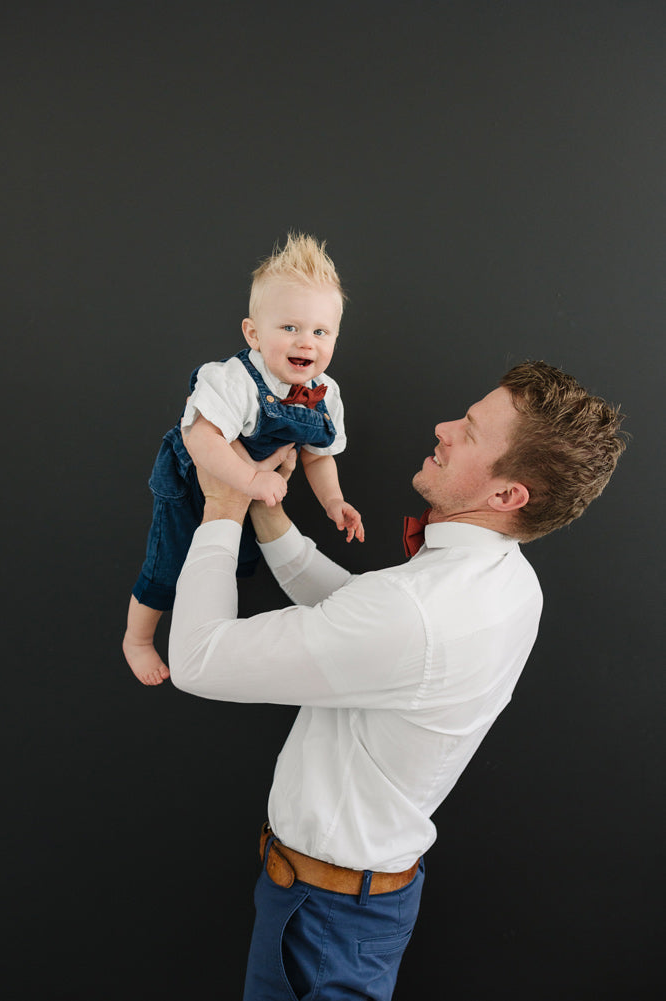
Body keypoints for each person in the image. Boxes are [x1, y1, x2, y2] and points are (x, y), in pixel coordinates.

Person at [168, 361, 626, 1001]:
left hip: (321, 919)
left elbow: (196, 660)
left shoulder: (415, 615)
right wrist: (267, 513)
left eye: (467, 431)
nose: (442, 428)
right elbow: (361, 623)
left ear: (506, 496)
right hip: (349, 906)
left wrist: (221, 505)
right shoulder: (508, 580)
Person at [123, 233, 364, 687]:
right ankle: (137, 638)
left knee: (231, 564)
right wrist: (251, 481)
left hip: (257, 489)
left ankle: (198, 623)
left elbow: (318, 457)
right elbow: (201, 439)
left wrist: (334, 502)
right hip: (192, 479)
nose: (306, 343)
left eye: (320, 331)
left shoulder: (326, 394)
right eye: (289, 328)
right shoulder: (232, 379)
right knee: (167, 564)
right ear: (254, 333)